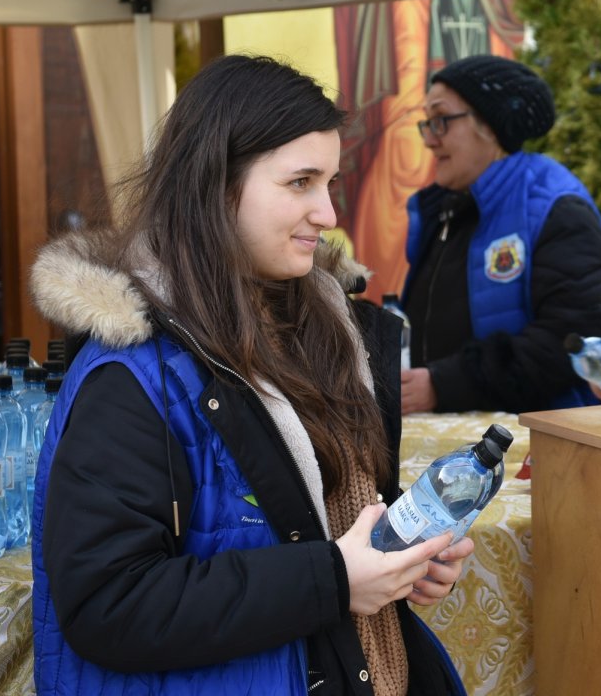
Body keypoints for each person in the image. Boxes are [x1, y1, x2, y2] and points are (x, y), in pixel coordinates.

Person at [29, 55, 474, 696]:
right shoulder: (133, 375)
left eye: (330, 182)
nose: (326, 213)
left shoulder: (334, 334)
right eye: (300, 183)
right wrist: (334, 579)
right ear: (214, 184)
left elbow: (318, 517)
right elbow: (107, 605)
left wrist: (401, 554)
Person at [398, 54, 601, 414]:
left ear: (492, 126)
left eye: (441, 121)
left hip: (537, 452)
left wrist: (443, 385)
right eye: (427, 124)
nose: (430, 140)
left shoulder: (554, 207)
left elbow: (573, 340)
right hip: (456, 446)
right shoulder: (442, 210)